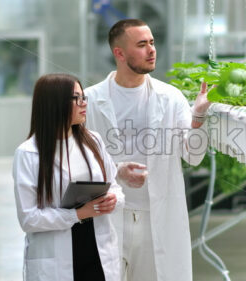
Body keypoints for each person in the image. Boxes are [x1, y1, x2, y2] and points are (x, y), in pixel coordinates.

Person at [84, 19, 210, 281]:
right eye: (141, 45)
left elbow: (193, 156)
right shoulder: (90, 100)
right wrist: (117, 172)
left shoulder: (170, 97)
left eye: (152, 42)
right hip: (106, 215)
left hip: (157, 216)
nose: (152, 50)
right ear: (119, 53)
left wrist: (197, 117)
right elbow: (74, 160)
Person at [13, 73, 125, 281]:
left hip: (98, 253)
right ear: (54, 103)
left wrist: (113, 199)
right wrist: (78, 214)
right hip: (56, 259)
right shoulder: (28, 154)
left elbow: (115, 186)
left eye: (84, 97)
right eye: (76, 98)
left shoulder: (94, 141)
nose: (84, 103)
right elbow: (28, 219)